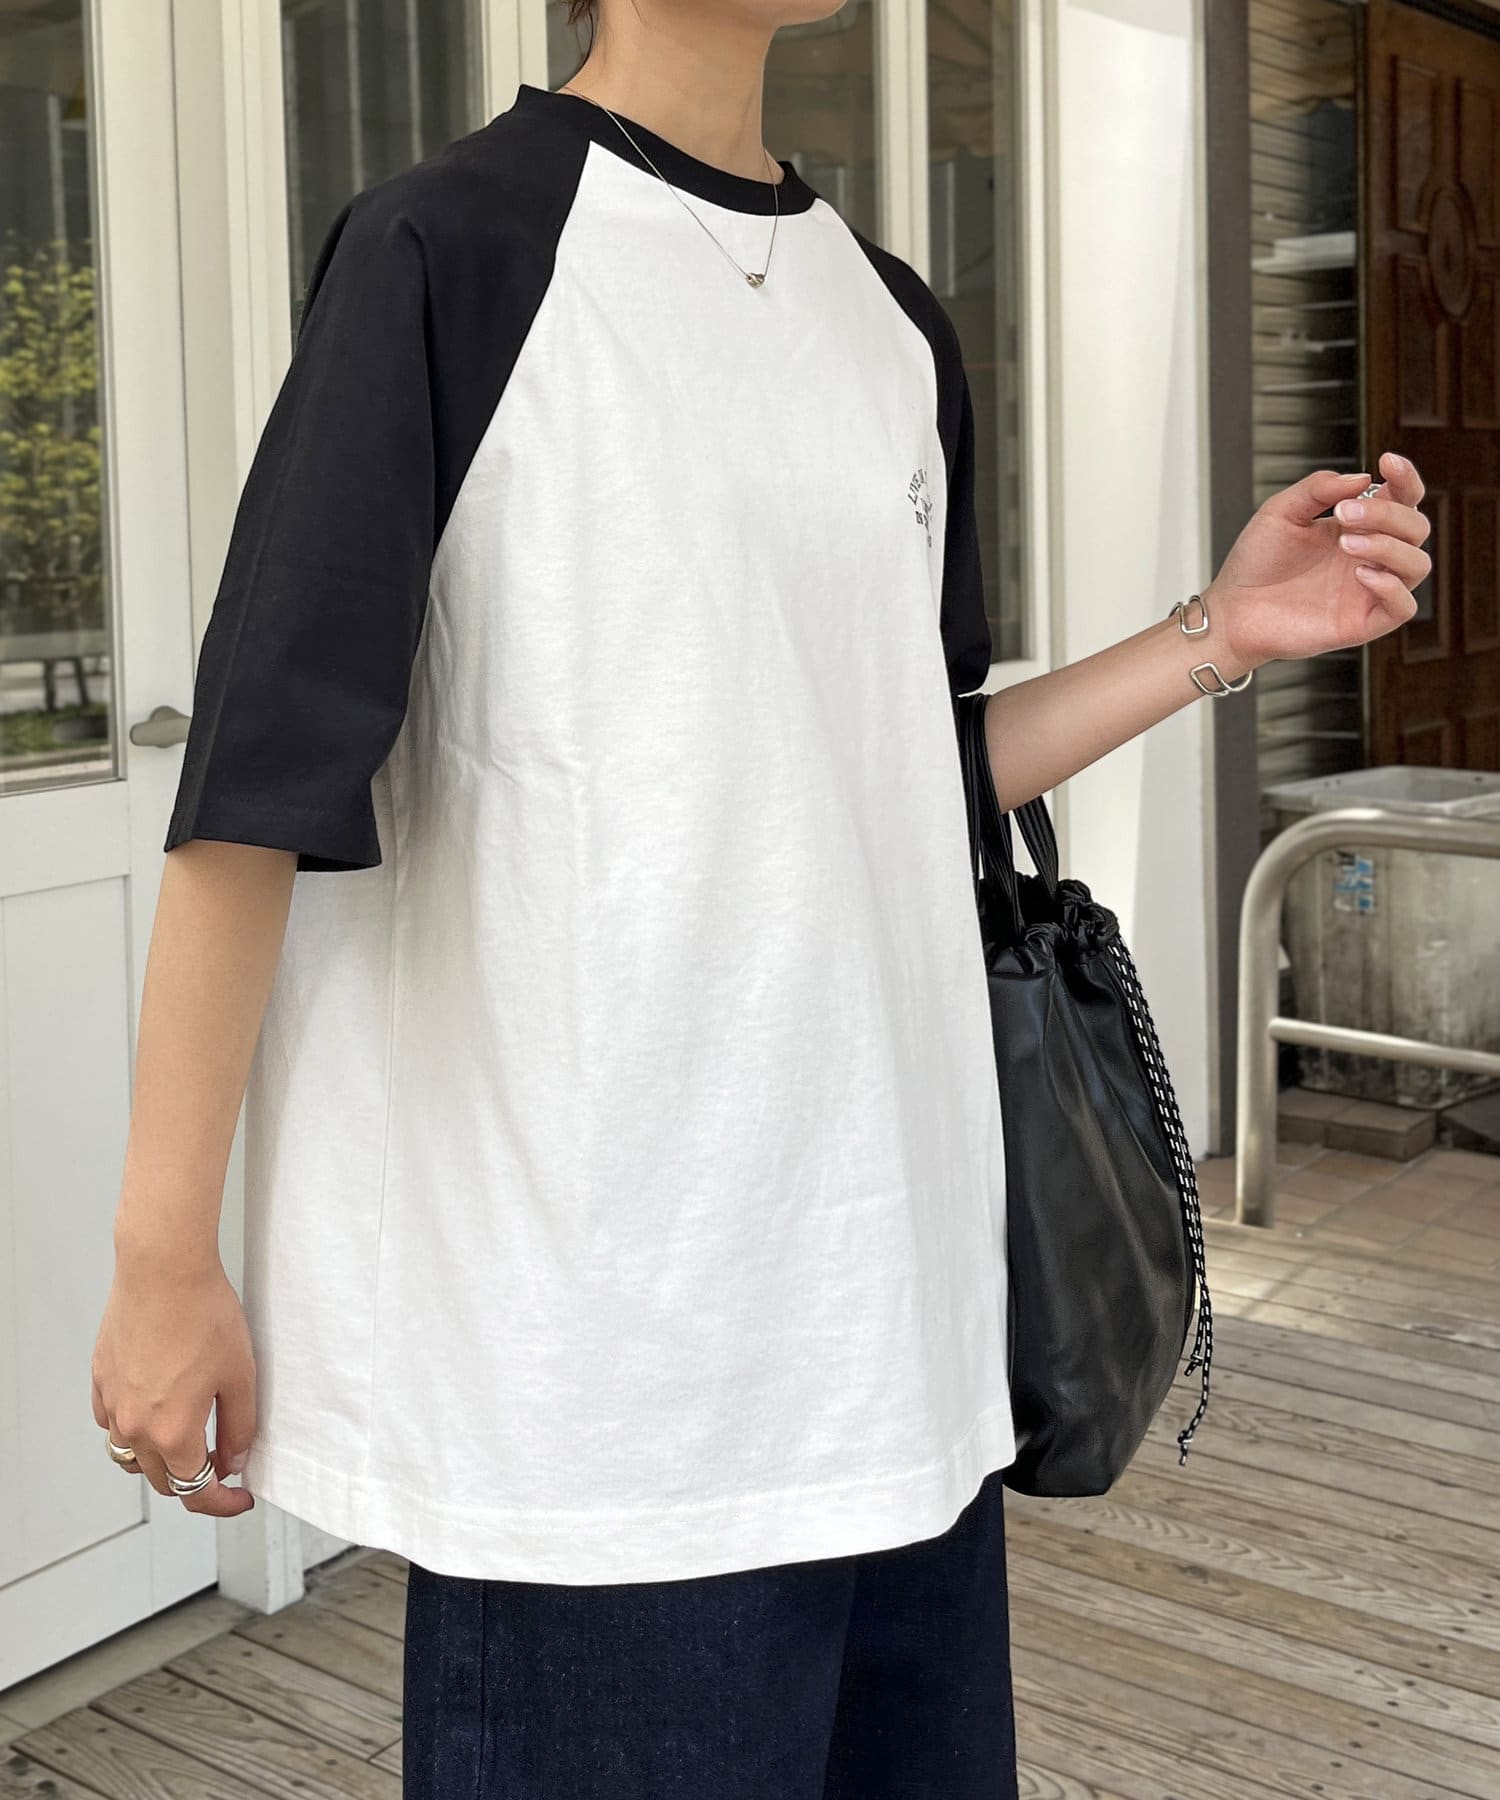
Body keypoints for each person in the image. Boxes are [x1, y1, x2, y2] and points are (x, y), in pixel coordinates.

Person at [90, 2, 1429, 1794]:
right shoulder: (451, 250)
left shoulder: (891, 320)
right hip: (602, 1379)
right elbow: (259, 783)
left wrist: (1221, 632)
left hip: (900, 1334)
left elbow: (898, 770)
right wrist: (163, 1256)